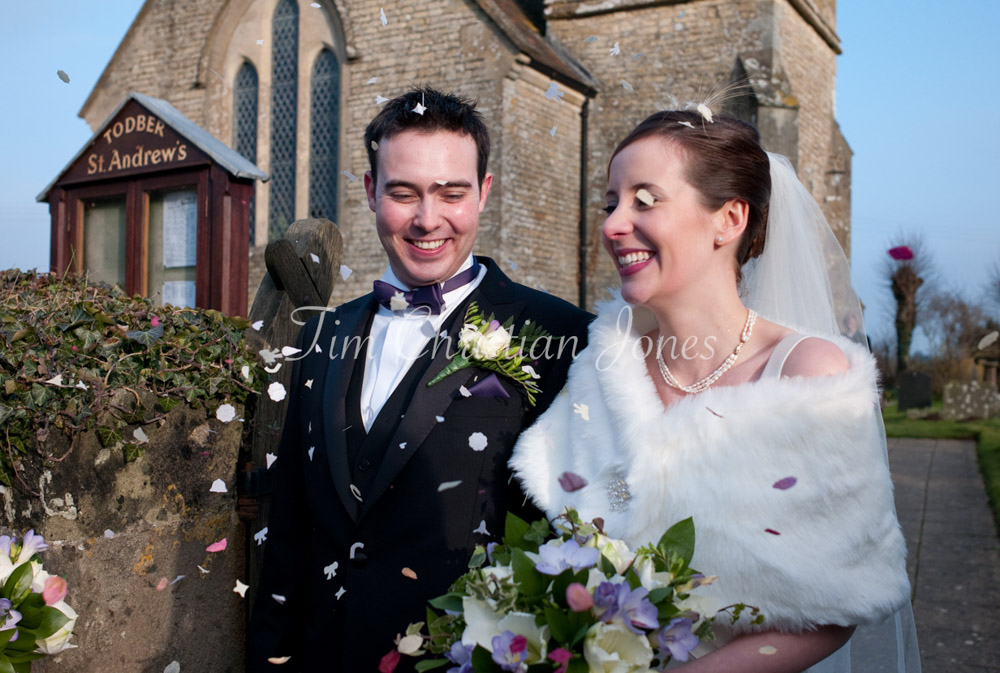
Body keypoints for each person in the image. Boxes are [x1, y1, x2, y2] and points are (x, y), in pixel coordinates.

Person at [510, 109, 920, 672]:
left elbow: (836, 608)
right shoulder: (604, 368)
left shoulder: (809, 376)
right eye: (611, 204)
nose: (611, 225)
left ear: (728, 219)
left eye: (644, 200)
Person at [247, 87, 592, 672]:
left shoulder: (561, 335)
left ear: (483, 192)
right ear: (370, 192)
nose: (427, 220)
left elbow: (572, 534)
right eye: (403, 193)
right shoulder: (321, 334)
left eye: (451, 193)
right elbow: (291, 528)